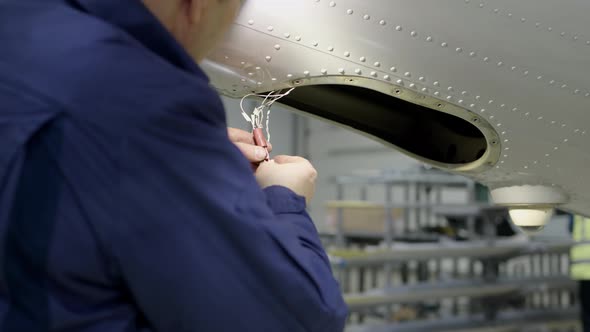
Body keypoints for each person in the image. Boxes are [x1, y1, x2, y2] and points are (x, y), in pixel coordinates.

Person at [0, 0, 348, 331]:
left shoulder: (20, 29)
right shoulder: (143, 96)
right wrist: (285, 197)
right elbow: (298, 320)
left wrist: (186, 151)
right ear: (198, 5)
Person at [570, 215, 590, 331]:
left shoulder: (577, 206)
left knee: (587, 316)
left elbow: (570, 227)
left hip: (584, 269)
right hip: (584, 269)